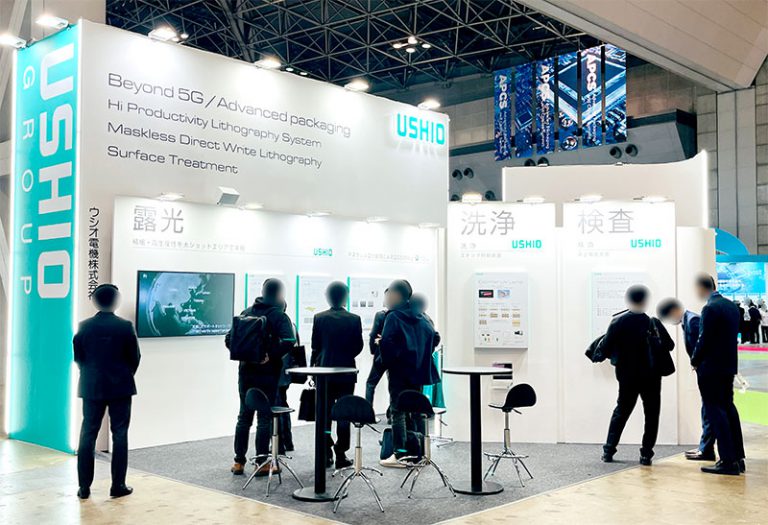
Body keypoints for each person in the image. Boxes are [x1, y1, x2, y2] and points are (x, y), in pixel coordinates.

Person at [73, 284, 141, 500]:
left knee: (88, 434)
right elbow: (135, 357)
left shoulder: (84, 326)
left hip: (91, 386)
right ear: (115, 301)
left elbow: (78, 357)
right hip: (121, 387)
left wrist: (90, 374)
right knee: (120, 434)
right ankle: (117, 485)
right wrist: (124, 374)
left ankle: (84, 487)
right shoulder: (125, 326)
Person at [596, 285, 674, 466]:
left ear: (628, 300)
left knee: (621, 411)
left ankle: (608, 450)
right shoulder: (653, 322)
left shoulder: (618, 322)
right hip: (652, 376)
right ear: (646, 301)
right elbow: (670, 345)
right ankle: (646, 455)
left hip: (627, 375)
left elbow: (605, 348)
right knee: (652, 414)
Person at [227, 278, 296, 476]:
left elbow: (229, 339)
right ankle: (262, 462)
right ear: (279, 294)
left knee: (244, 416)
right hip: (267, 374)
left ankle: (238, 462)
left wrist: (246, 356)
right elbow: (289, 340)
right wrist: (269, 355)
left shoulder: (246, 313)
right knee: (264, 418)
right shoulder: (279, 316)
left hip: (245, 372)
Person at [378, 280, 440, 468]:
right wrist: (421, 354)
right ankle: (421, 452)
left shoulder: (394, 316)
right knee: (418, 410)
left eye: (390, 294)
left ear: (398, 295)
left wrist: (389, 359)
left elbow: (387, 344)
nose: (387, 298)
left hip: (399, 373)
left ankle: (400, 454)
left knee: (398, 411)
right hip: (418, 372)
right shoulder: (421, 316)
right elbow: (434, 337)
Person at [691, 274, 745, 475]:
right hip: (728, 366)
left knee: (716, 411)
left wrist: (694, 360)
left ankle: (727, 461)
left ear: (701, 288)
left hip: (711, 368)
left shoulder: (710, 308)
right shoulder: (731, 306)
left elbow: (704, 339)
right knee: (728, 409)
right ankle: (738, 458)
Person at [310, 281, 364, 468]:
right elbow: (358, 346)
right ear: (345, 297)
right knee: (343, 414)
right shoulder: (354, 319)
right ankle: (341, 453)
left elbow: (315, 346)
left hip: (324, 372)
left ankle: (326, 452)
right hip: (346, 372)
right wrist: (346, 356)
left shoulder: (319, 318)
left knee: (324, 415)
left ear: (328, 297)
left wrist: (313, 369)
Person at [657, 298, 715, 461]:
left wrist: (696, 362)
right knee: (706, 409)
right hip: (703, 369)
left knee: (709, 409)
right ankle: (705, 447)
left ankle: (706, 449)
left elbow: (703, 344)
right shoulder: (689, 320)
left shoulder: (693, 320)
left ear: (674, 311)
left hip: (707, 370)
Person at [365, 301, 389, 407]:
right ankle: (392, 412)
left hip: (380, 355)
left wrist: (373, 351)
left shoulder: (381, 315)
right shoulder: (400, 315)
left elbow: (373, 334)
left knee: (370, 383)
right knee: (393, 385)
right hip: (395, 356)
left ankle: (368, 411)